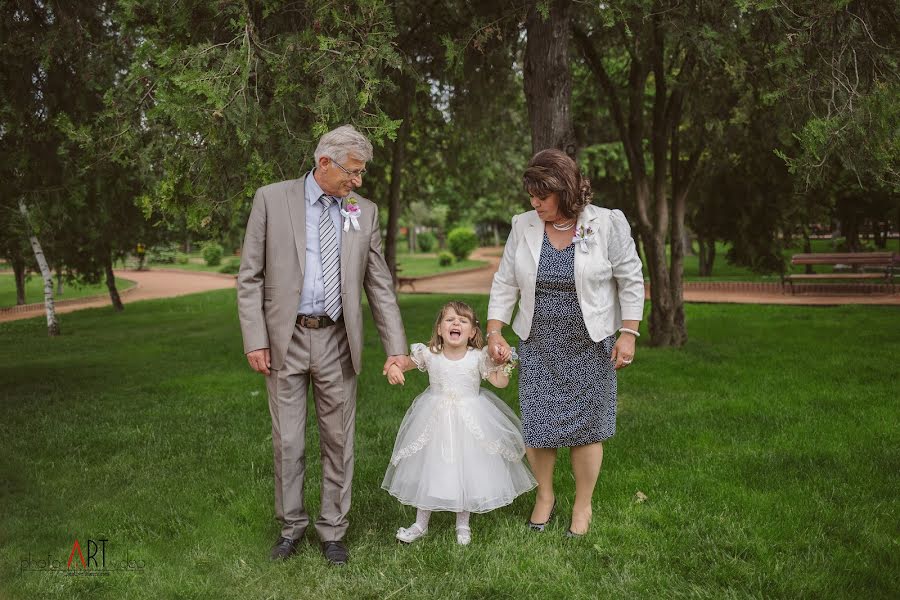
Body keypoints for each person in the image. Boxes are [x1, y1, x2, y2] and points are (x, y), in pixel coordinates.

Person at [237, 125, 407, 565]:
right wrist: (255, 339)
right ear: (324, 163)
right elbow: (249, 277)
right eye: (352, 171)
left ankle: (333, 530)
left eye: (362, 173)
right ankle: (291, 528)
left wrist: (395, 347)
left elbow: (379, 284)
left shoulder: (362, 211)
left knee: (339, 439)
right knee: (288, 441)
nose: (358, 181)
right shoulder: (272, 199)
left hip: (337, 338)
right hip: (284, 339)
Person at [486, 148, 644, 537]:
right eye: (531, 195)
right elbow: (505, 282)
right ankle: (545, 496)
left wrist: (629, 332)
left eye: (542, 195)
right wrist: (494, 330)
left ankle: (583, 505)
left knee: (588, 426)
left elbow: (631, 278)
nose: (534, 202)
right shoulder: (523, 225)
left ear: (565, 190)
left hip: (591, 343)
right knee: (538, 424)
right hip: (539, 341)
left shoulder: (607, 223)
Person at [382, 301, 536, 545]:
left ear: (473, 332)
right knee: (430, 466)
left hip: (470, 419)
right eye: (450, 320)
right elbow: (406, 363)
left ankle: (462, 524)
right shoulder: (430, 355)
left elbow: (499, 383)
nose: (456, 324)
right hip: (435, 419)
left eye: (463, 321)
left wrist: (505, 365)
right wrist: (393, 367)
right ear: (440, 329)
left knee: (468, 468)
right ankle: (420, 524)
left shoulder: (478, 357)